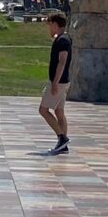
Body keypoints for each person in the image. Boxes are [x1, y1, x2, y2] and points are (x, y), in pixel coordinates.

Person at [39, 12, 72, 155]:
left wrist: (55, 83)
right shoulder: (62, 39)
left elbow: (62, 61)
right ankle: (62, 145)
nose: (49, 28)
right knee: (59, 111)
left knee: (43, 110)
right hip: (63, 82)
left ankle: (62, 137)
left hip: (59, 82)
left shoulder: (63, 40)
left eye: (49, 25)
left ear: (54, 24)